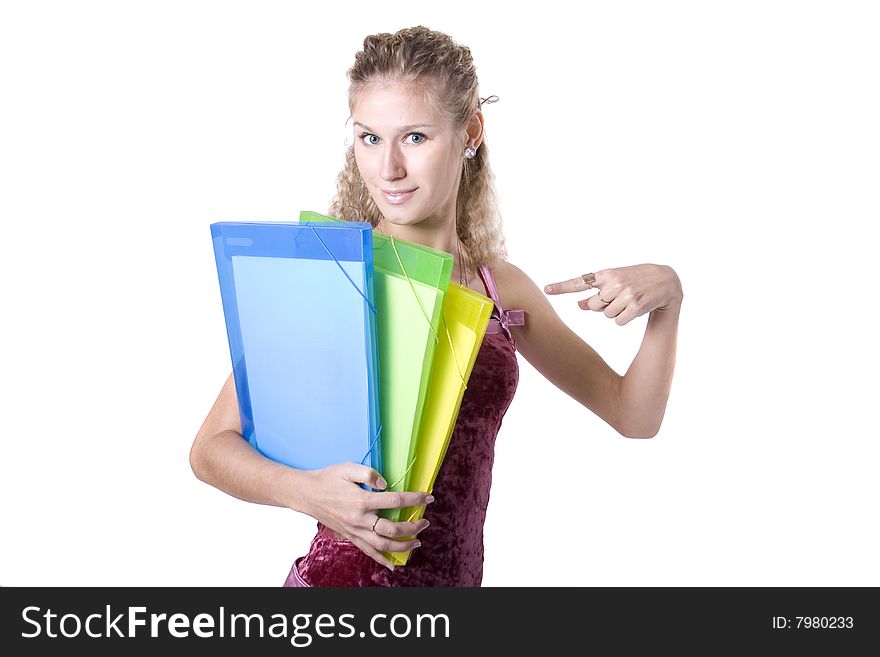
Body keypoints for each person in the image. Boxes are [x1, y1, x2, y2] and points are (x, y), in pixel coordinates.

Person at [190, 26, 683, 587]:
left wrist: (668, 297)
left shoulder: (501, 289)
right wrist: (310, 495)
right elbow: (210, 448)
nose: (388, 168)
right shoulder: (339, 270)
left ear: (470, 130)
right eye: (369, 138)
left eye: (415, 137)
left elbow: (633, 416)